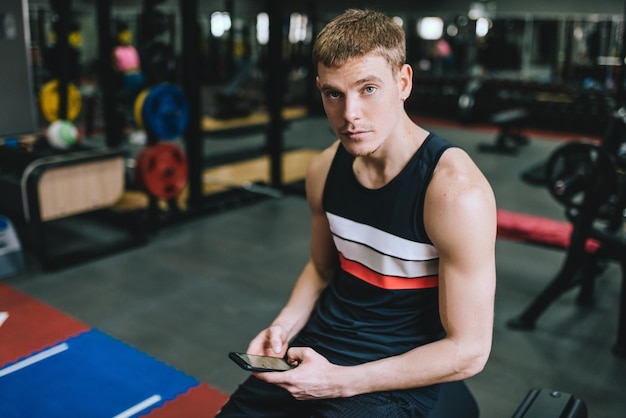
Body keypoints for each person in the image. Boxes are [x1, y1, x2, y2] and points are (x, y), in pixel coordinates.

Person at [217, 8, 496, 417]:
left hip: (400, 370)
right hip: (321, 344)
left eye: (368, 89)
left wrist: (339, 382)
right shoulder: (324, 169)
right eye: (334, 93)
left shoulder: (455, 192)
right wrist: (284, 326)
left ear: (403, 82)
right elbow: (322, 268)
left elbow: (469, 351)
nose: (349, 115)